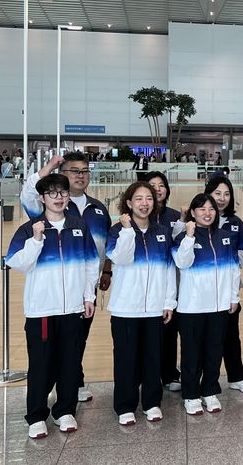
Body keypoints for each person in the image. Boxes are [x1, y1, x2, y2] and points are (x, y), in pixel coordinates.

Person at [6, 173, 99, 438]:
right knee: (41, 363)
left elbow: (90, 263)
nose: (58, 198)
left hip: (72, 309)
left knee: (70, 362)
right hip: (42, 311)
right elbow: (17, 262)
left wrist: (88, 297)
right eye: (52, 193)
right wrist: (36, 241)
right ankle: (36, 415)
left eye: (63, 193)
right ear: (43, 198)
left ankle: (65, 410)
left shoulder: (78, 226)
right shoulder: (30, 228)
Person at [21, 152, 112, 403]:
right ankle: (49, 386)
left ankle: (74, 380)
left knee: (77, 337)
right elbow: (27, 195)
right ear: (63, 174)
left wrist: (106, 271)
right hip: (53, 289)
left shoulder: (98, 208)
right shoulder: (49, 202)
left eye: (84, 170)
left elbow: (105, 245)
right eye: (74, 170)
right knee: (51, 343)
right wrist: (47, 168)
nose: (80, 175)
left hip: (85, 284)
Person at [106, 182, 177, 425]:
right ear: (128, 203)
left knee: (152, 357)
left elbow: (169, 269)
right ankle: (125, 405)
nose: (144, 203)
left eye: (148, 199)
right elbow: (121, 258)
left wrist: (169, 301)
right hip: (126, 307)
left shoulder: (162, 232)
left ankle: (151, 402)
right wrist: (127, 231)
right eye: (138, 199)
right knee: (126, 358)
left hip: (155, 307)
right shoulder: (117, 231)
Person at [172, 194, 241, 415]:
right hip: (192, 307)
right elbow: (182, 262)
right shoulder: (182, 237)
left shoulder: (226, 236)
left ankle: (209, 390)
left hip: (219, 306)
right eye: (201, 209)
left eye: (211, 209)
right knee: (192, 352)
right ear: (192, 213)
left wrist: (233, 298)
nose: (207, 213)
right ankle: (191, 394)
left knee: (214, 350)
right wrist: (190, 237)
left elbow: (233, 270)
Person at [204, 176, 243, 394]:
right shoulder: (199, 219)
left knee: (230, 335)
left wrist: (229, 259)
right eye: (217, 193)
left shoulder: (235, 223)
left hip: (229, 290)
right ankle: (204, 380)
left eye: (226, 194)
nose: (222, 199)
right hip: (202, 291)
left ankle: (236, 376)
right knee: (204, 338)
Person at [144, 171, 187, 393]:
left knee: (170, 329)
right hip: (146, 282)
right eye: (153, 185)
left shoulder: (174, 216)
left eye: (162, 185)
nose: (158, 189)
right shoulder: (139, 216)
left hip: (172, 280)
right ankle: (147, 373)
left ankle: (169, 373)